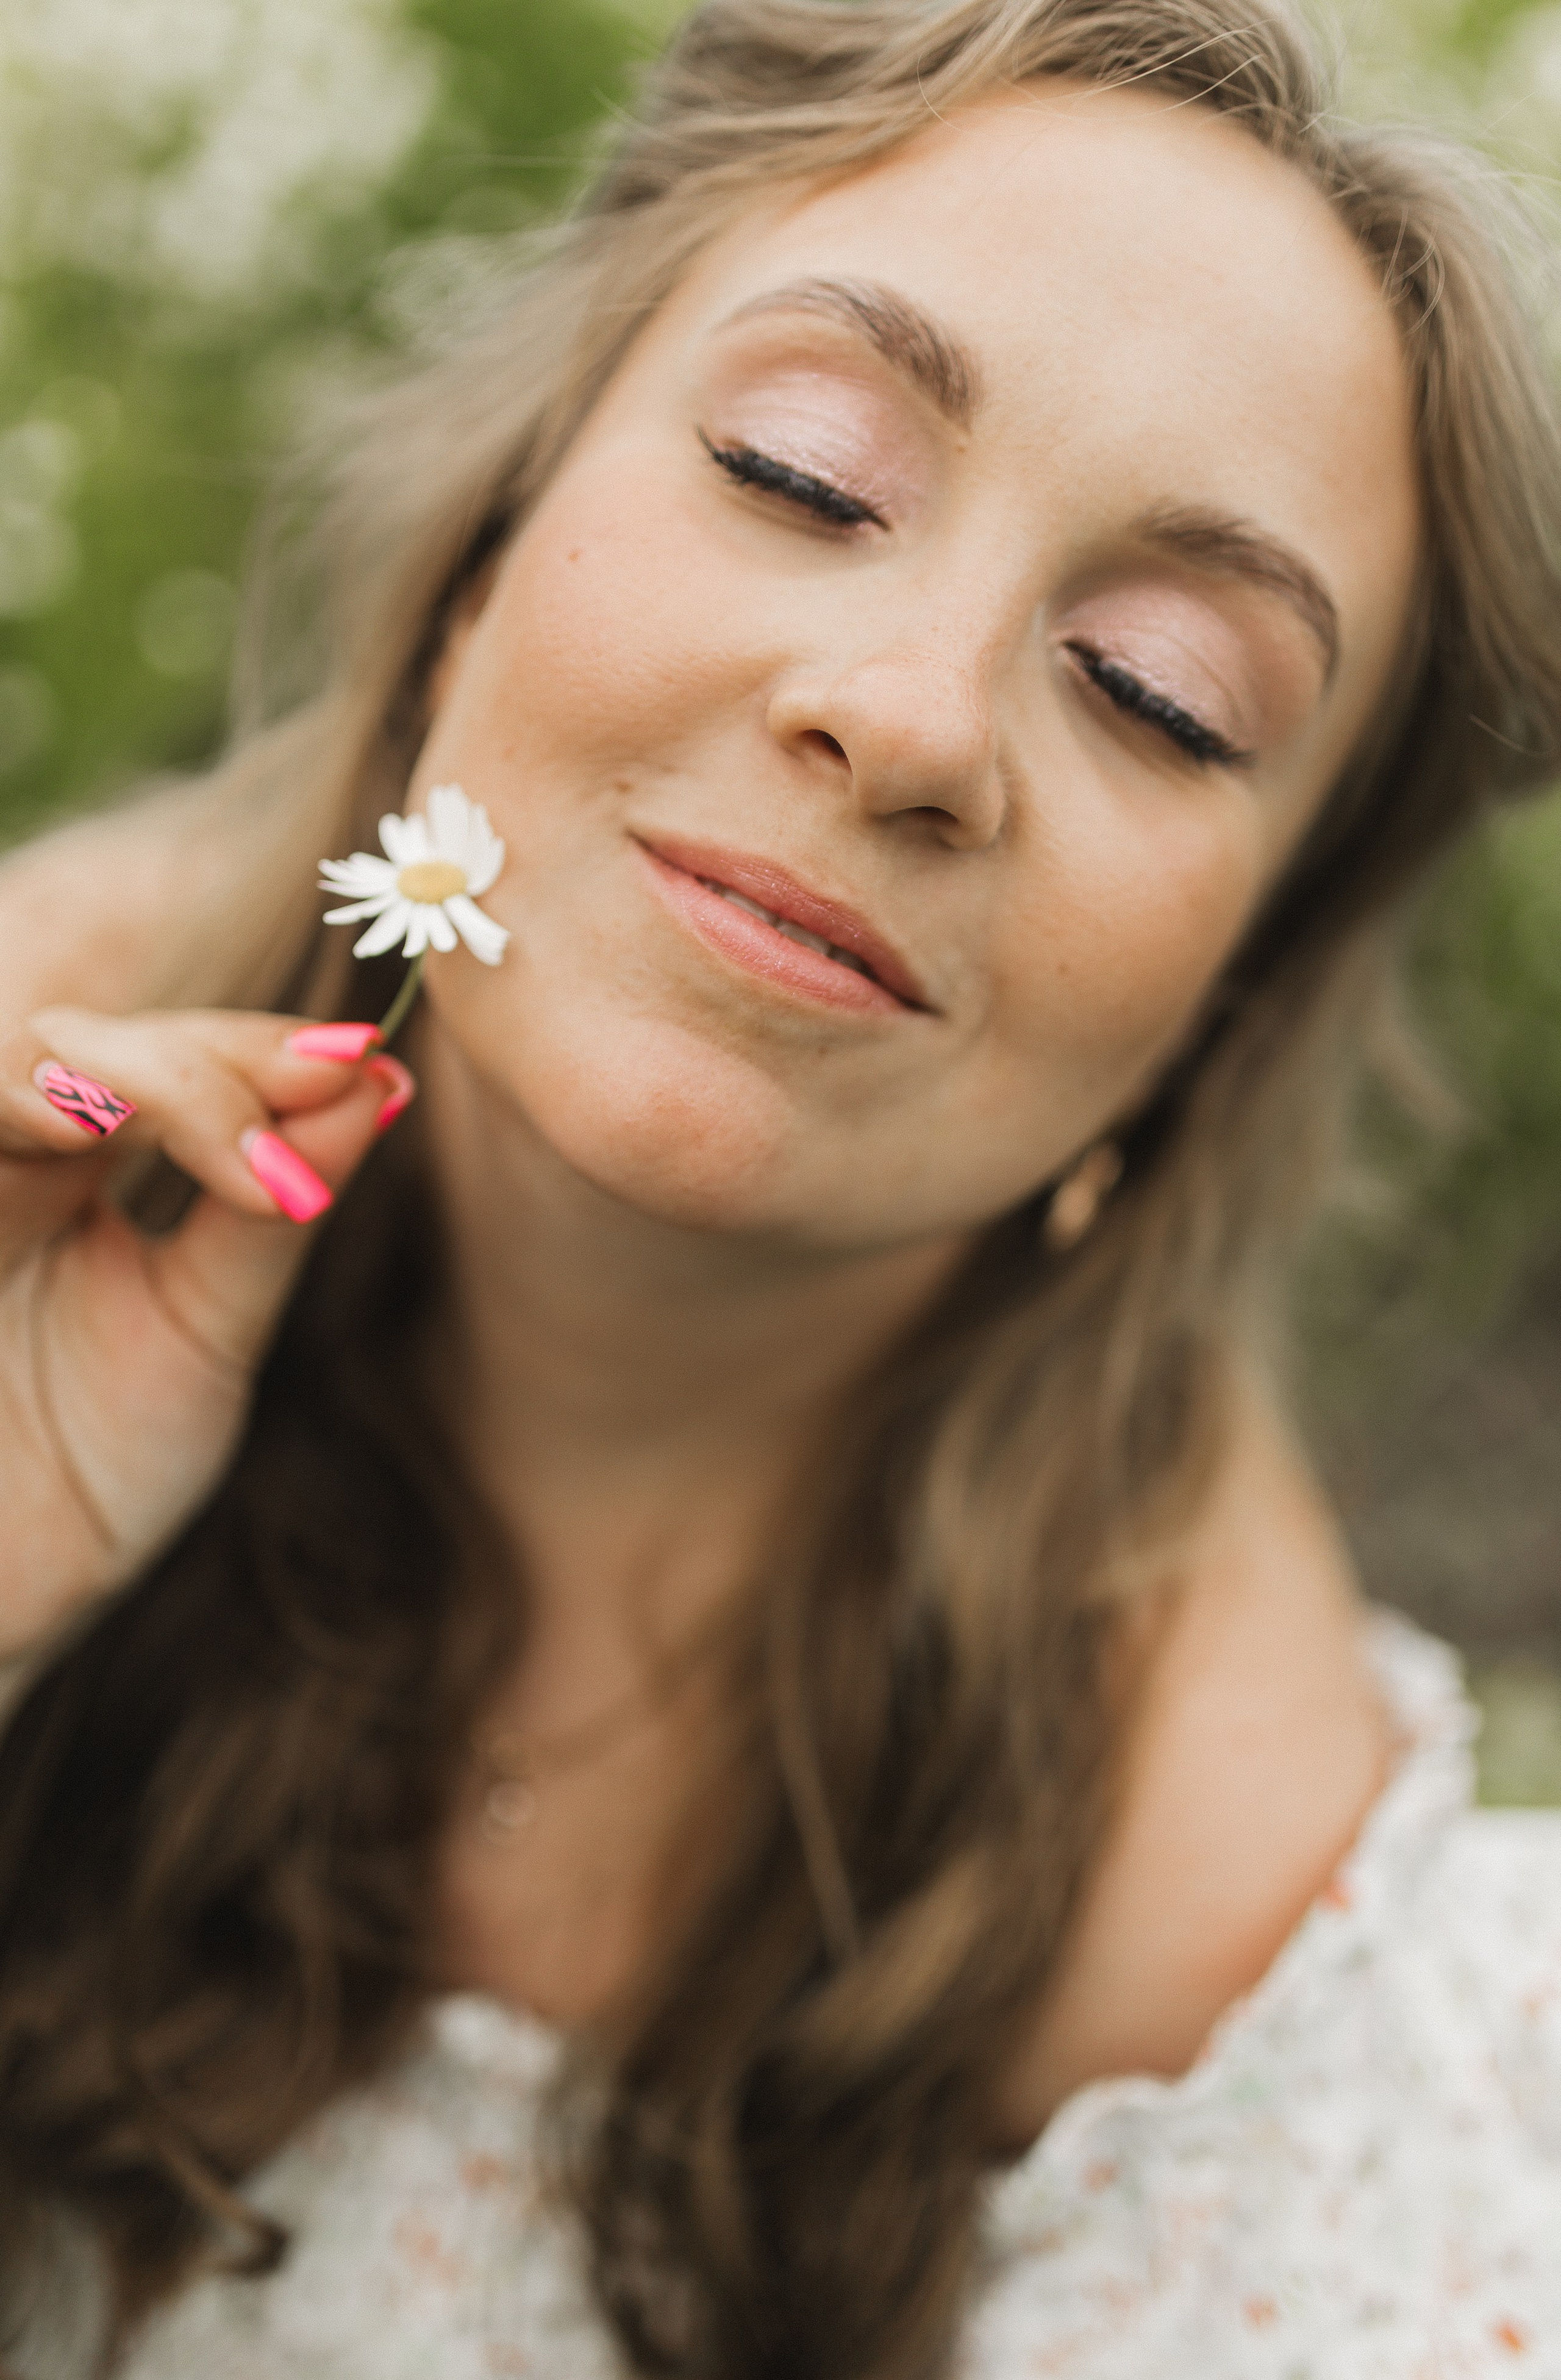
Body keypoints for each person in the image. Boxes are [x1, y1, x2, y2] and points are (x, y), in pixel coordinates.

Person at [2, 0, 1560, 2371]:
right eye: (804, 469)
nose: (915, 715)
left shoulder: (1321, 2098)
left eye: (1157, 689)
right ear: (478, 570)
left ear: (1221, 1005)